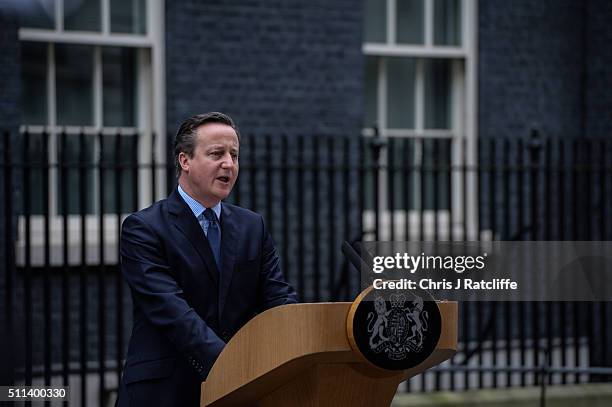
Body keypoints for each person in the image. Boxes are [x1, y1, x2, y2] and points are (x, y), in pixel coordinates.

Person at [115, 112, 298, 406]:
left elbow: (277, 296)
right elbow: (173, 312)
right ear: (184, 161)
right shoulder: (144, 228)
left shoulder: (253, 226)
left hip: (238, 391)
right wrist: (233, 364)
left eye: (234, 155)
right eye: (217, 154)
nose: (229, 163)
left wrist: (301, 335)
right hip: (165, 392)